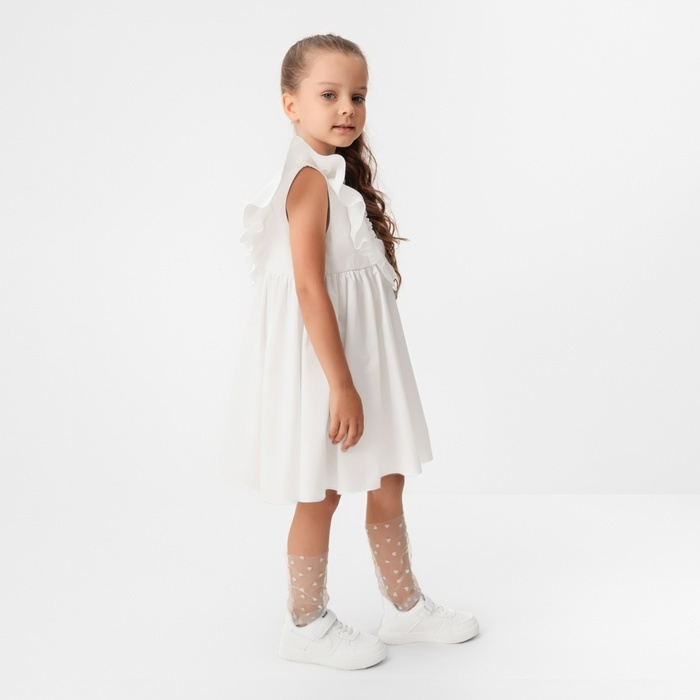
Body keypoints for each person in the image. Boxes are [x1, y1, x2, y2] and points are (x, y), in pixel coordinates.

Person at [217, 33, 479, 670]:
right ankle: (305, 622)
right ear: (290, 103)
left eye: (357, 96)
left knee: (388, 476)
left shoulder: (338, 178)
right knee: (322, 492)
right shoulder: (308, 182)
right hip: (329, 368)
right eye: (328, 94)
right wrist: (340, 384)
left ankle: (404, 607)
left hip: (363, 360)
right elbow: (309, 288)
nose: (346, 108)